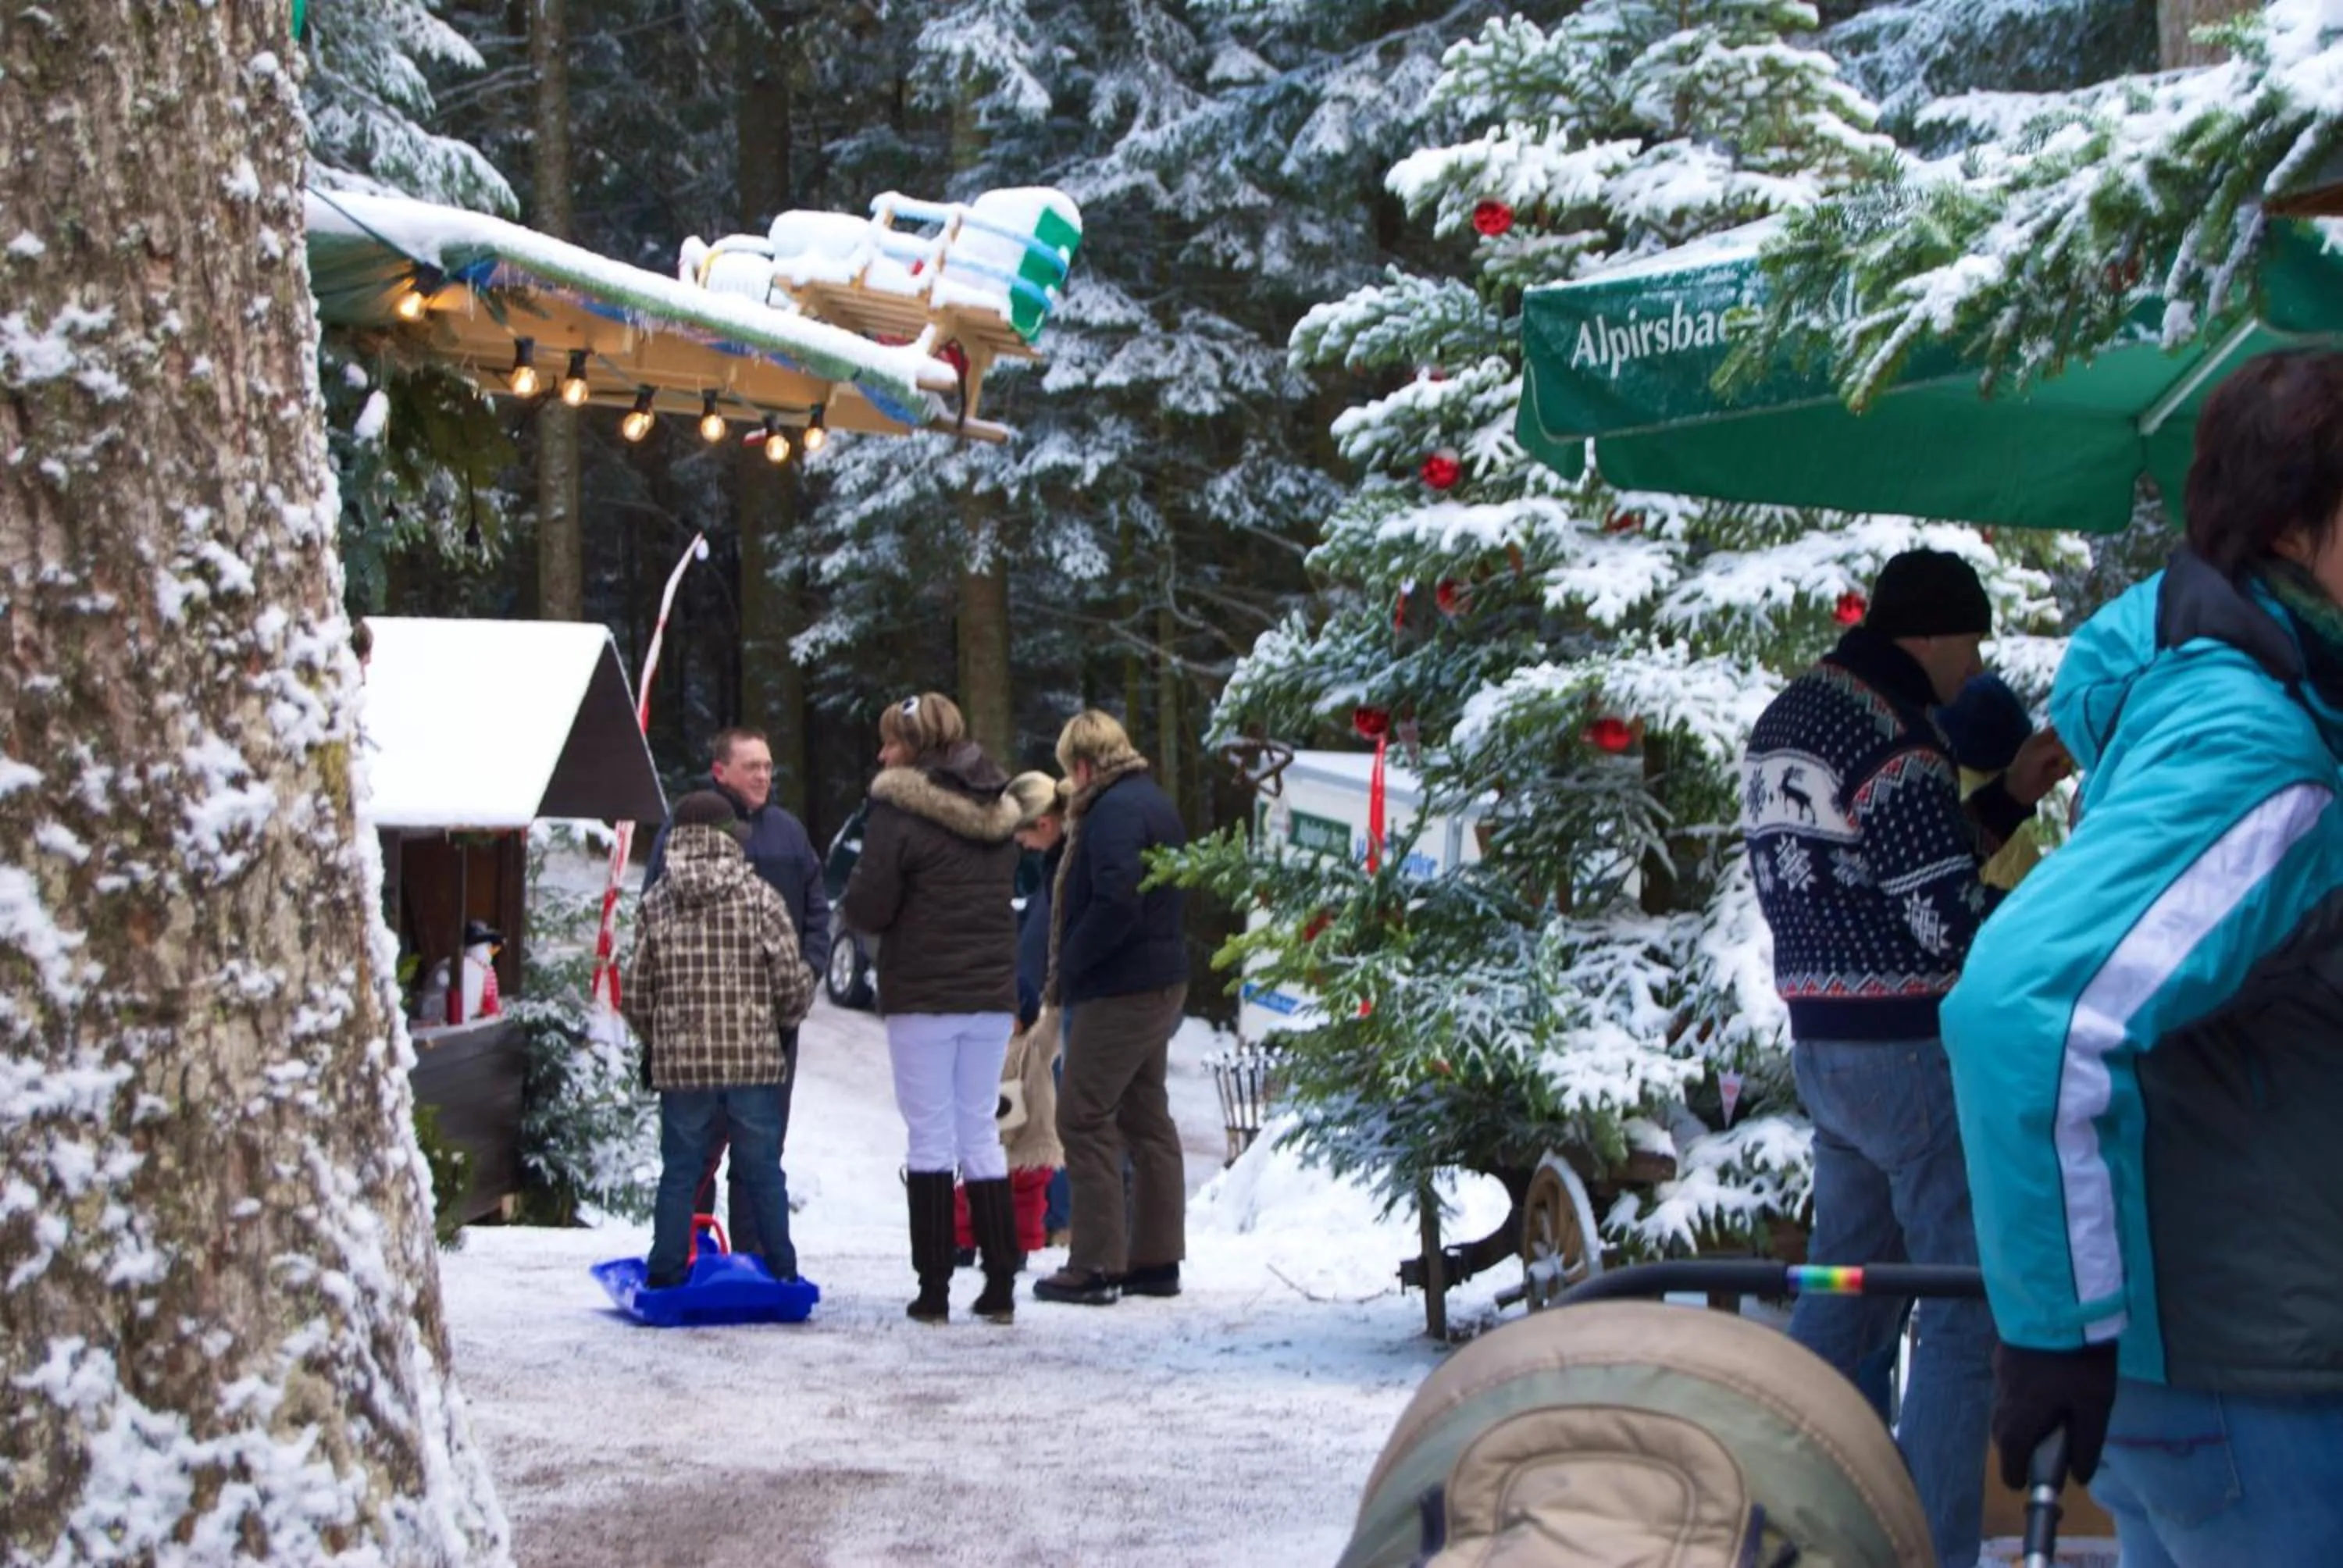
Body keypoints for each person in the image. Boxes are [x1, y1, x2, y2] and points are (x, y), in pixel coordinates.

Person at [1945, 350, 2343, 1566]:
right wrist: (2057, 1336)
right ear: (2293, 529)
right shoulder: (2257, 747)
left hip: (2224, 1372)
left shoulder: (2250, 690)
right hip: (2251, 1383)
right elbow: (2030, 1010)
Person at [1741, 548, 2070, 1568]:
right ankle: (1932, 1551)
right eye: (1969, 643)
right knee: (1967, 1309)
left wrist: (2011, 792)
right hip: (1911, 1059)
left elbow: (1896, 870)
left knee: (1850, 1301)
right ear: (1927, 633)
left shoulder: (1796, 717)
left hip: (1829, 1057)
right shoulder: (1898, 739)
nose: (1974, 670)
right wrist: (2072, 915)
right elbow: (1948, 923)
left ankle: (1803, 1531)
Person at [838, 693, 1030, 1324]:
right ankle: (1001, 1282)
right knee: (980, 1129)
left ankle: (935, 1287)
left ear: (913, 749)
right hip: (989, 997)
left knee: (929, 1134)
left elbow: (869, 904)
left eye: (890, 742)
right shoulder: (1000, 811)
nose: (880, 753)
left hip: (923, 994)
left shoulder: (897, 810)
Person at [644, 727, 829, 1256]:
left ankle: (756, 1262)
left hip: (770, 1029)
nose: (764, 776)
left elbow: (817, 912)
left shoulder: (789, 835)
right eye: (753, 766)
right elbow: (652, 923)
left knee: (760, 1154)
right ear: (719, 770)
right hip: (697, 1029)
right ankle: (686, 1255)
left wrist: (806, 974)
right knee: (694, 1153)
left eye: (769, 766)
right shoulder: (682, 832)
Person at [622, 790, 815, 1288]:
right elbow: (792, 982)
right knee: (763, 1174)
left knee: (680, 1172)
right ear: (729, 839)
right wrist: (780, 1027)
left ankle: (665, 1273)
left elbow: (637, 991)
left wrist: (657, 1040)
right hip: (752, 1063)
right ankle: (781, 1270)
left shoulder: (657, 902)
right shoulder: (759, 898)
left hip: (683, 1069)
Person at [1033, 711, 1190, 1308]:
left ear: (1081, 765)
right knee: (1145, 1115)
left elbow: (1116, 898)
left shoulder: (1113, 811)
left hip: (1119, 986)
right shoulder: (1151, 800)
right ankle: (1155, 1259)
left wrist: (1071, 960)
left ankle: (1096, 1263)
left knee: (1083, 1114)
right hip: (1159, 978)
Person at [954, 771, 1070, 1263]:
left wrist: (1050, 1003)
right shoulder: (1051, 864)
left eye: (1021, 833)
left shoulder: (1065, 862)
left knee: (1032, 1174)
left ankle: (1037, 1232)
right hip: (1028, 994)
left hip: (1041, 1002)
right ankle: (975, 1236)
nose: (1019, 844)